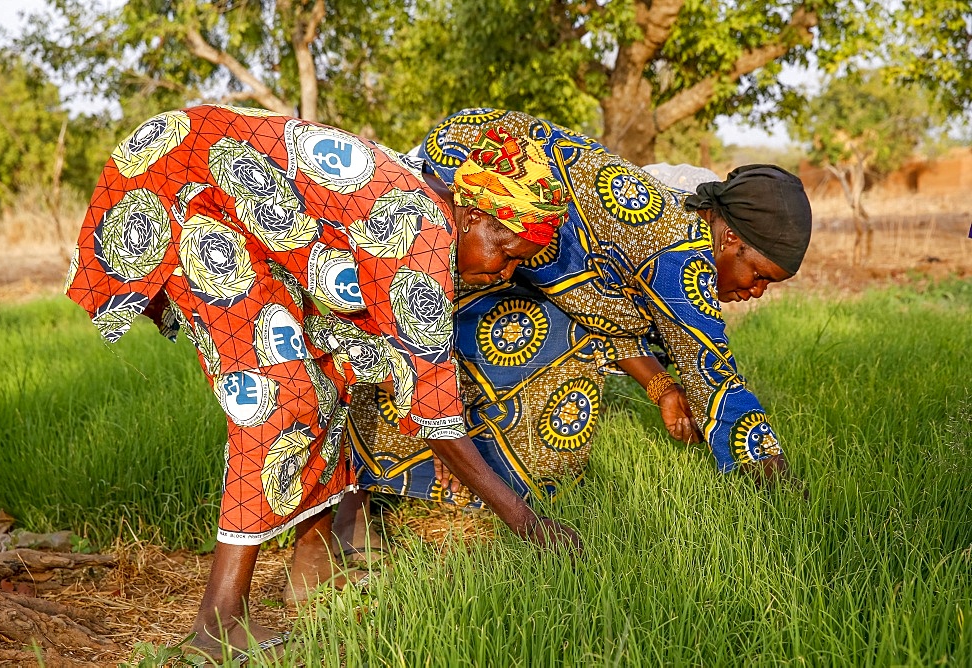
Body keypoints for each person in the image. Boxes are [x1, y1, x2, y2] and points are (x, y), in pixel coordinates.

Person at [64, 105, 578, 659]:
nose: (502, 273)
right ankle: (217, 625)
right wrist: (527, 523)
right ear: (476, 216)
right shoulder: (421, 239)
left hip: (228, 201)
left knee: (331, 369)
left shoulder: (427, 211)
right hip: (184, 190)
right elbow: (435, 411)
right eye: (505, 254)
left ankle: (313, 570)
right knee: (276, 400)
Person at [335, 108, 812, 559]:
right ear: (731, 239)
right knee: (401, 326)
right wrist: (778, 482)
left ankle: (433, 477)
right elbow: (716, 379)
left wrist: (660, 385)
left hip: (482, 169)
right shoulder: (681, 257)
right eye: (760, 273)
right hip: (477, 176)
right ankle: (354, 495)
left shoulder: (674, 222)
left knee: (523, 340)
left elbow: (596, 306)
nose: (757, 290)